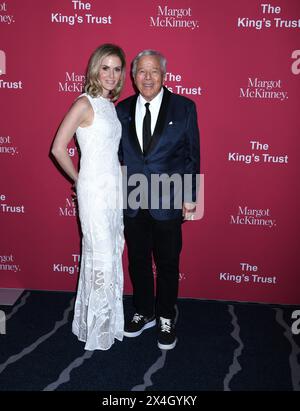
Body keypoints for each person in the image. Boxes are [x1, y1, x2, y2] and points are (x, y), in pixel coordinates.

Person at [116, 50, 200, 350]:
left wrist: (190, 198)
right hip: (133, 199)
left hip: (168, 198)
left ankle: (166, 315)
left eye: (154, 71)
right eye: (142, 71)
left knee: (167, 263)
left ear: (164, 75)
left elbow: (192, 155)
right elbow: (118, 157)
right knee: (137, 261)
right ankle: (144, 311)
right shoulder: (120, 109)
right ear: (133, 76)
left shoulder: (184, 107)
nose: (148, 77)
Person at [51, 44, 126, 350]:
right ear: (95, 68)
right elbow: (58, 147)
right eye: (105, 67)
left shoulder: (110, 104)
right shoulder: (84, 103)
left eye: (117, 69)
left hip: (112, 190)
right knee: (101, 256)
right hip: (95, 191)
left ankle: (103, 322)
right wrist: (80, 180)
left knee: (110, 254)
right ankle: (98, 330)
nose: (111, 74)